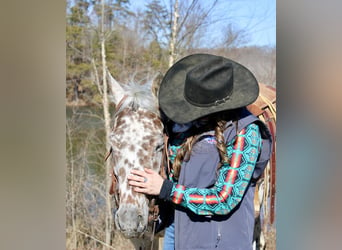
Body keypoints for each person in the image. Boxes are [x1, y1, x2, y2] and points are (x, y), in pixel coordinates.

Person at [127, 54, 272, 250]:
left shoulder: (245, 132)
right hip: (177, 231)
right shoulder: (184, 123)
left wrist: (166, 189)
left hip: (220, 241)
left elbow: (224, 198)